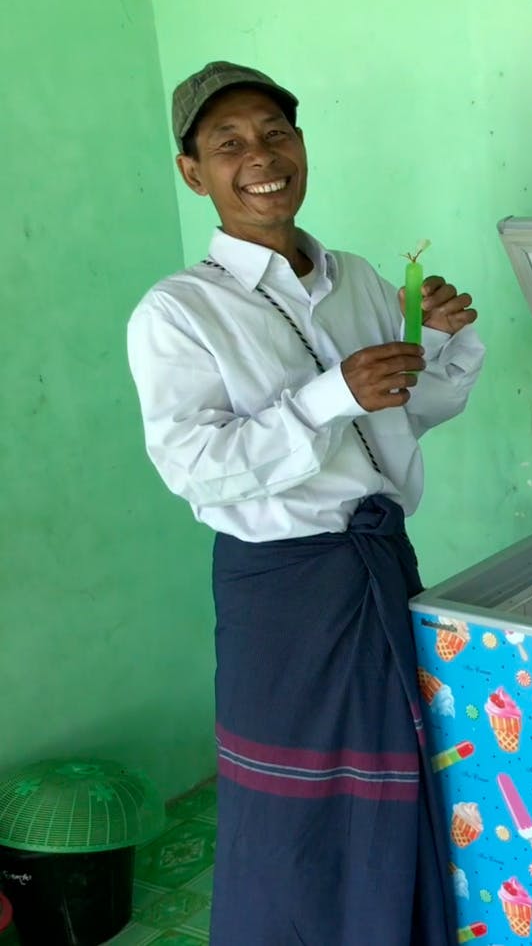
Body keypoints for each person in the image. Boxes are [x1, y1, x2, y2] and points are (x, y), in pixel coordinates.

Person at [126, 61, 484, 945]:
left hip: (381, 565)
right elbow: (197, 468)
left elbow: (408, 417)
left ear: (301, 145)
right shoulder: (179, 312)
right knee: (292, 819)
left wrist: (442, 342)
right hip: (281, 592)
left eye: (276, 133)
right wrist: (333, 394)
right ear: (192, 172)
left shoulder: (357, 278)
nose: (261, 157)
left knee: (401, 779)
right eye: (229, 144)